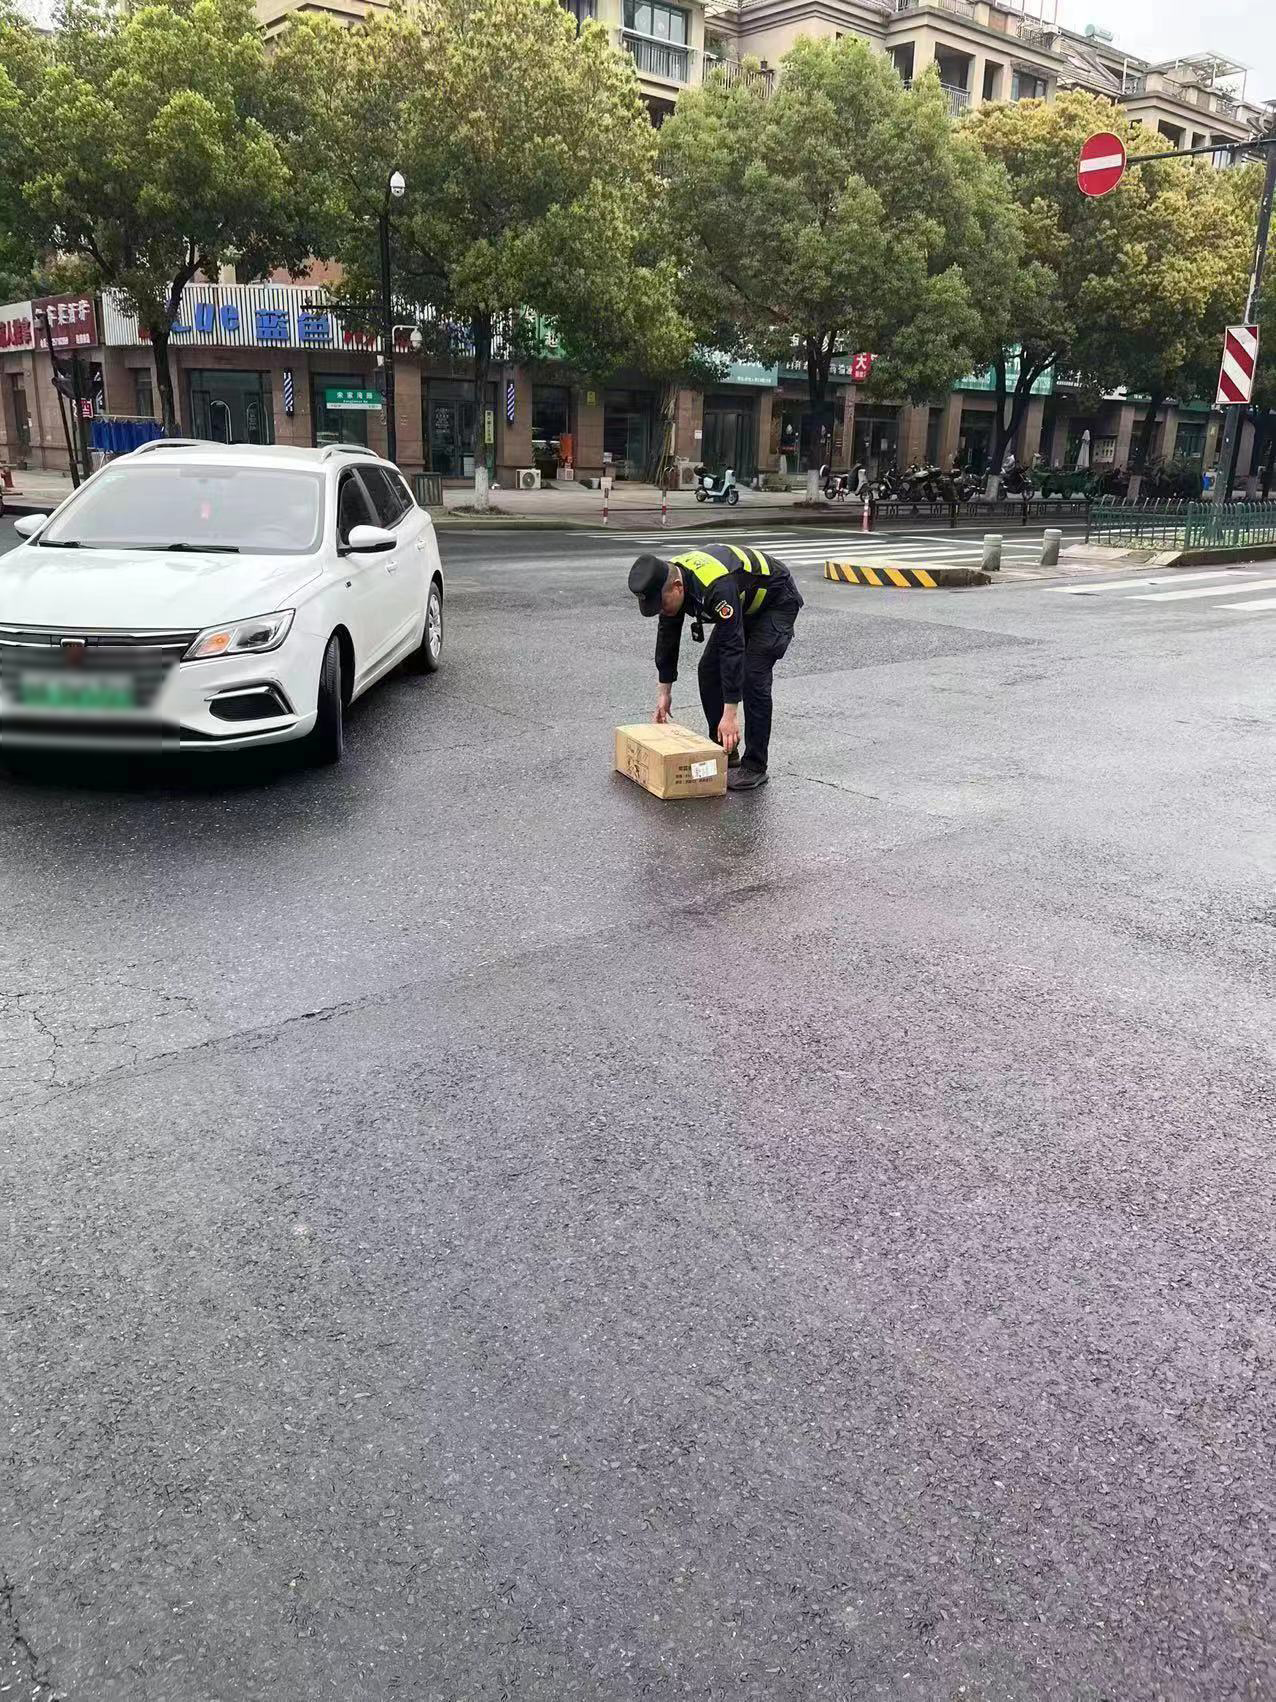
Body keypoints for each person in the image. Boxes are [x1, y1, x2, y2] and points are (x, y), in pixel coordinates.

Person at [627, 543, 803, 791]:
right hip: (743, 604)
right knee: (708, 671)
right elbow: (667, 636)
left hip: (776, 603)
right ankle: (725, 749)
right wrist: (664, 692)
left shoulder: (716, 586)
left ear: (677, 587)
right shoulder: (669, 576)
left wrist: (730, 715)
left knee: (753, 676)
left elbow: (732, 647)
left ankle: (755, 766)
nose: (662, 610)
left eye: (662, 604)